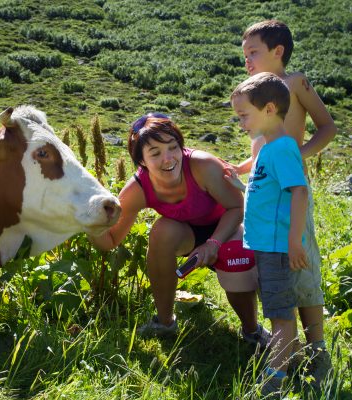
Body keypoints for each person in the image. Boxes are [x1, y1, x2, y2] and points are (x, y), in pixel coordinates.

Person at [89, 113, 270, 347]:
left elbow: (237, 207)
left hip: (227, 226)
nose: (168, 159)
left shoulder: (203, 165)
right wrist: (86, 221)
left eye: (173, 147)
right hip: (187, 234)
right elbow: (110, 239)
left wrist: (214, 243)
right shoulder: (138, 188)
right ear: (141, 160)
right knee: (161, 231)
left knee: (235, 251)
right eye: (155, 153)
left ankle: (251, 330)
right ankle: (165, 322)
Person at [230, 19, 335, 390]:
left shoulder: (295, 84)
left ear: (278, 51)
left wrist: (302, 156)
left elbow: (327, 126)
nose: (247, 60)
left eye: (253, 52)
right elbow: (261, 150)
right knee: (283, 279)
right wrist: (241, 167)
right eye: (244, 55)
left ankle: (317, 349)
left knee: (302, 272)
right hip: (272, 195)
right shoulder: (256, 94)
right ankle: (289, 349)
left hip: (290, 197)